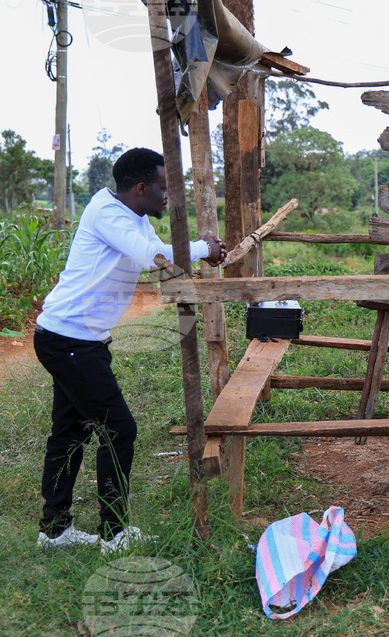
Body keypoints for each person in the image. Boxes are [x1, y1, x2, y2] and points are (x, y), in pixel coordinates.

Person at [34, 147, 226, 553]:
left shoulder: (135, 219)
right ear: (140, 187)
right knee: (119, 429)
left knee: (70, 432)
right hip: (68, 339)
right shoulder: (107, 214)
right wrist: (202, 247)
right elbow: (153, 258)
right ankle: (114, 533)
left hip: (81, 340)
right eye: (163, 189)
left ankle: (54, 531)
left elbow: (163, 267)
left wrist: (204, 255)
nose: (167, 198)